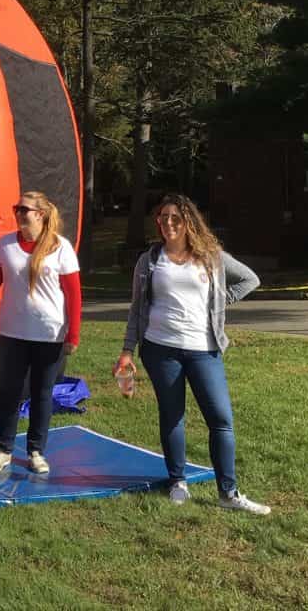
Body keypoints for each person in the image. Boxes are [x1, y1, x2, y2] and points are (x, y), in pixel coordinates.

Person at [114, 193, 270, 515]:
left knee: (221, 420)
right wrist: (127, 351)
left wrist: (216, 302)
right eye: (163, 218)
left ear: (188, 222)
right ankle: (177, 482)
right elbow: (136, 310)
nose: (168, 223)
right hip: (160, 350)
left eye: (175, 218)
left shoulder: (211, 256)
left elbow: (250, 279)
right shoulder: (149, 260)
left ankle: (228, 492)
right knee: (172, 416)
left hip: (204, 349)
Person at [0, 191, 81, 475]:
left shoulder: (61, 248)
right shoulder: (5, 245)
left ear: (40, 213)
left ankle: (36, 450)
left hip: (50, 335)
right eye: (17, 208)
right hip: (12, 332)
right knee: (10, 391)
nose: (18, 213)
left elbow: (74, 296)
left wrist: (73, 334)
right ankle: (3, 449)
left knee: (42, 393)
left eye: (24, 209)